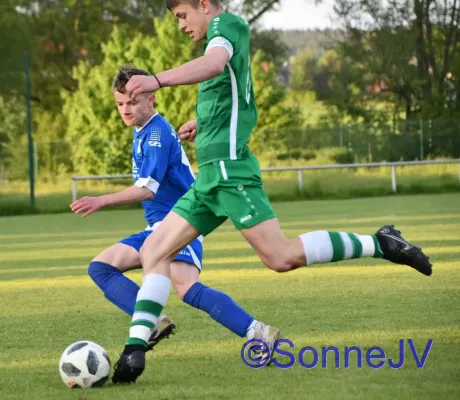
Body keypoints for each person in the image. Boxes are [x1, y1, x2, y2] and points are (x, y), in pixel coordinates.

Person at [111, 0, 433, 384]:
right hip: (210, 180)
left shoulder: (226, 26)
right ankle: (133, 353)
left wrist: (157, 80)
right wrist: (205, 122)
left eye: (182, 15)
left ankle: (381, 243)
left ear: (203, 5)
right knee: (153, 251)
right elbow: (236, 91)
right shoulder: (218, 39)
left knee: (280, 257)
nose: (180, 25)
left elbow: (214, 65)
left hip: (231, 174)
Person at [70, 65, 276, 356]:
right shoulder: (142, 130)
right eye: (120, 104)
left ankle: (257, 331)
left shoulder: (155, 134)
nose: (125, 110)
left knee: (187, 288)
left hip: (179, 224)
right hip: (160, 226)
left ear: (151, 98)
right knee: (102, 268)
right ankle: (151, 321)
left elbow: (147, 189)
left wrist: (100, 200)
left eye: (132, 102)